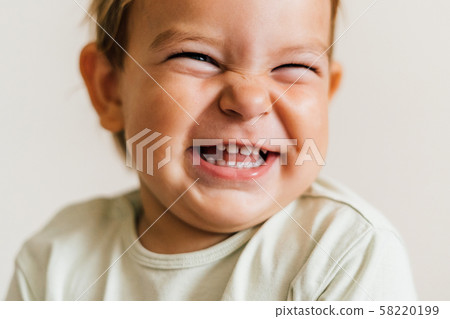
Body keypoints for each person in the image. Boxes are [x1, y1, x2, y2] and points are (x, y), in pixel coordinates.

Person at [6, 0, 417, 300]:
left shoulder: (346, 254)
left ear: (327, 93)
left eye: (294, 68)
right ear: (110, 90)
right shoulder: (57, 258)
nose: (249, 98)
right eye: (197, 56)